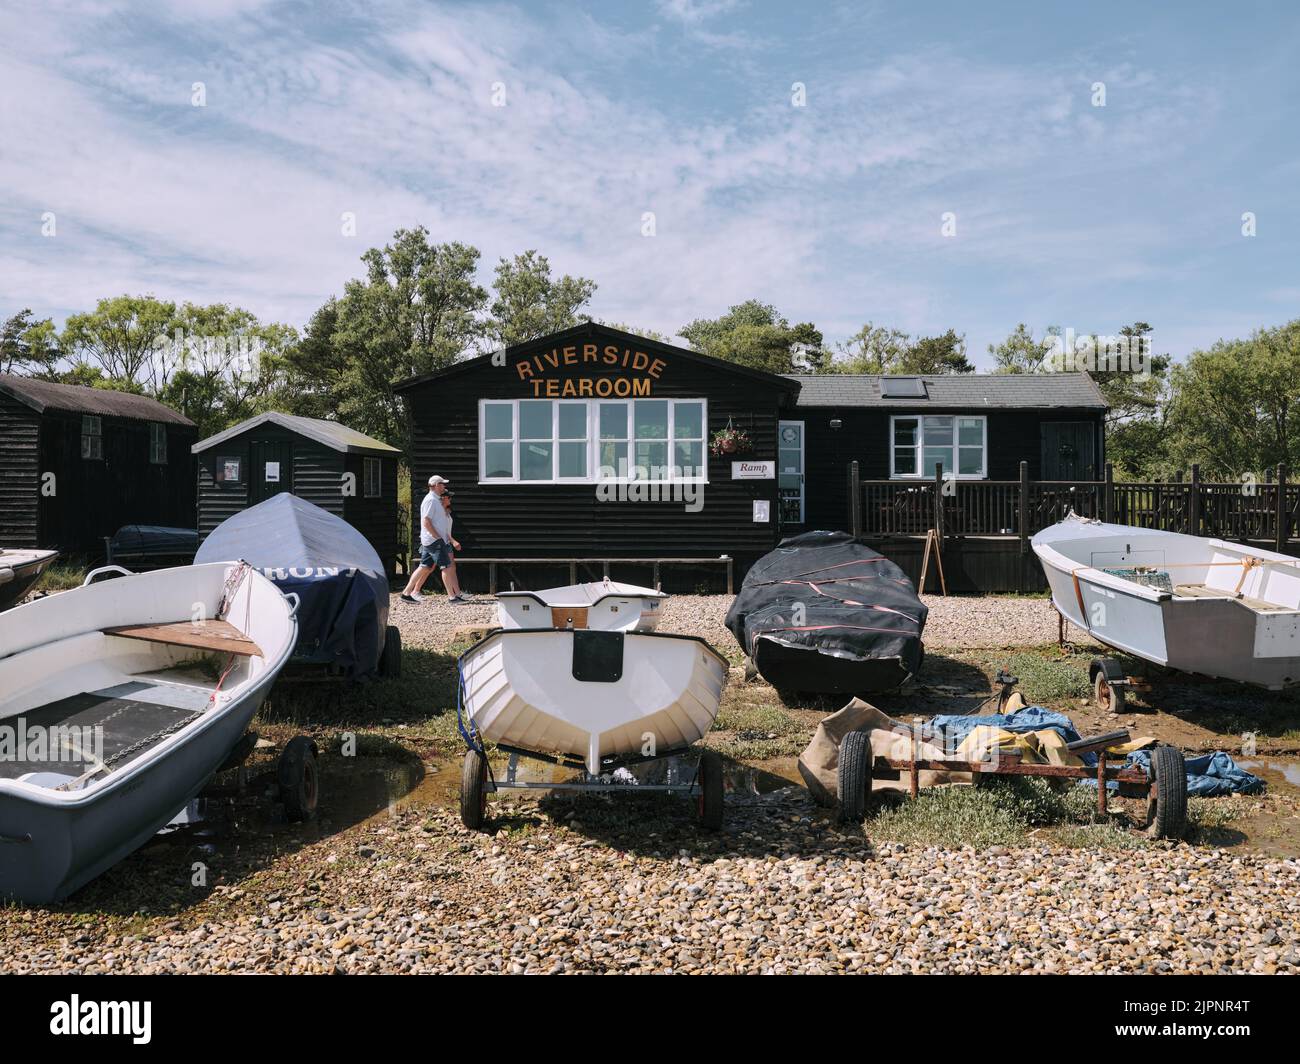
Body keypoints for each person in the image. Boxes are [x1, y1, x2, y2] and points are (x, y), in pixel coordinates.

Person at [400, 475, 465, 603]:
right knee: (446, 567)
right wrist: (437, 537)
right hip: (434, 540)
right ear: (435, 485)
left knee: (424, 567)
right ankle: (452, 597)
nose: (444, 486)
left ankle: (406, 593)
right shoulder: (431, 500)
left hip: (431, 540)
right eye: (442, 484)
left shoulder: (435, 500)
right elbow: (426, 521)